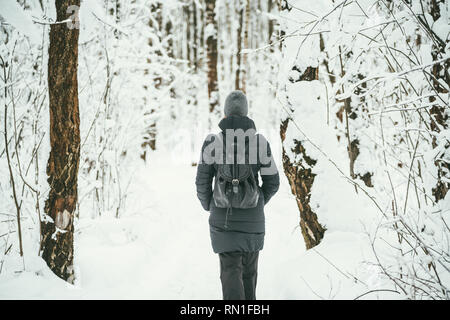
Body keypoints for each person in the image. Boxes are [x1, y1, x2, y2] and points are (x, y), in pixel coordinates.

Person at [195, 90, 280, 300]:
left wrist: (211, 205)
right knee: (249, 276)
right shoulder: (260, 143)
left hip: (223, 221)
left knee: (230, 275)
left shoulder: (212, 143)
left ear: (225, 114)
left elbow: (202, 182)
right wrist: (258, 201)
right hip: (253, 222)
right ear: (246, 113)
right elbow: (273, 182)